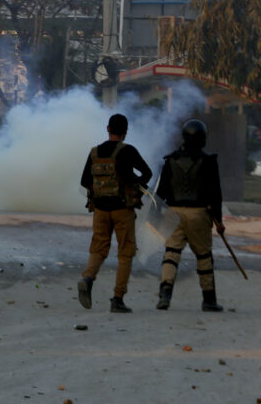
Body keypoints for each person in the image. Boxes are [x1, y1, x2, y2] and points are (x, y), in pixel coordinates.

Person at [78, 114, 152, 313]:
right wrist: (134, 184)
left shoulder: (95, 152)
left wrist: (100, 189)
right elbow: (148, 173)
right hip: (122, 209)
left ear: (108, 128)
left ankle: (87, 278)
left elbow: (85, 181)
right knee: (126, 252)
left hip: (100, 209)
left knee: (98, 248)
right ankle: (117, 299)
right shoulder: (128, 150)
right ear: (125, 131)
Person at [154, 119, 225, 312]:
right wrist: (218, 220)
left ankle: (165, 295)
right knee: (203, 256)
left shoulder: (170, 160)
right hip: (199, 214)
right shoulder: (209, 161)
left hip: (173, 213)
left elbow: (160, 192)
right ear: (202, 138)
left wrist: (155, 217)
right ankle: (209, 299)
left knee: (171, 254)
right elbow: (215, 193)